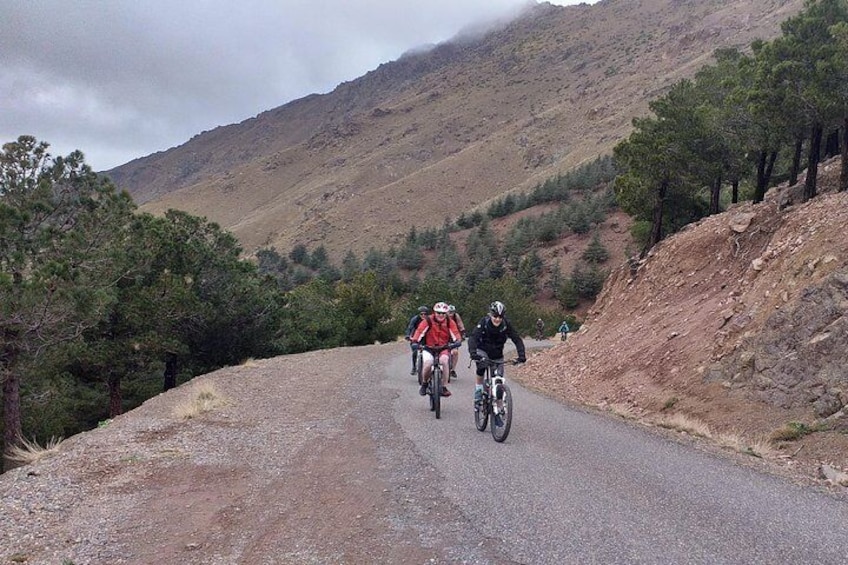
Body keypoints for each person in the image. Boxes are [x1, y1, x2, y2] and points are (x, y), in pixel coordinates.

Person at [468, 301, 526, 405]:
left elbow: (517, 339)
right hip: (483, 350)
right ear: (490, 314)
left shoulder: (506, 324)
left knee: (498, 380)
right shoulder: (484, 322)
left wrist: (521, 356)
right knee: (481, 367)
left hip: (497, 354)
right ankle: (478, 389)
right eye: (495, 316)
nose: (498, 319)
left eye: (500, 317)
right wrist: (473, 353)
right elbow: (473, 337)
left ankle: (499, 409)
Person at [410, 302, 462, 397]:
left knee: (445, 361)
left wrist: (458, 341)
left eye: (443, 313)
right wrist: (415, 341)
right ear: (434, 312)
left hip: (443, 348)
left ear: (446, 313)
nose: (441, 315)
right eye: (438, 313)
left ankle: (443, 386)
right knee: (428, 363)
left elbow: (455, 333)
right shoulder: (428, 320)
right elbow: (419, 331)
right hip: (428, 347)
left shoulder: (449, 322)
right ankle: (425, 383)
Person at [404, 306, 429, 375]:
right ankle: (414, 367)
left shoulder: (429, 320)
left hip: (426, 337)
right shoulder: (415, 319)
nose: (423, 316)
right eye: (421, 314)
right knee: (415, 351)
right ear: (419, 314)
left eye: (425, 314)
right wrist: (408, 335)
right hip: (416, 336)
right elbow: (410, 327)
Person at [447, 304, 466, 380]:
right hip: (444, 336)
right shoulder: (443, 316)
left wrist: (463, 333)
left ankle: (453, 369)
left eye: (452, 312)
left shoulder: (456, 316)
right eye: (449, 312)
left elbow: (460, 324)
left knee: (455, 352)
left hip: (454, 336)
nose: (451, 314)